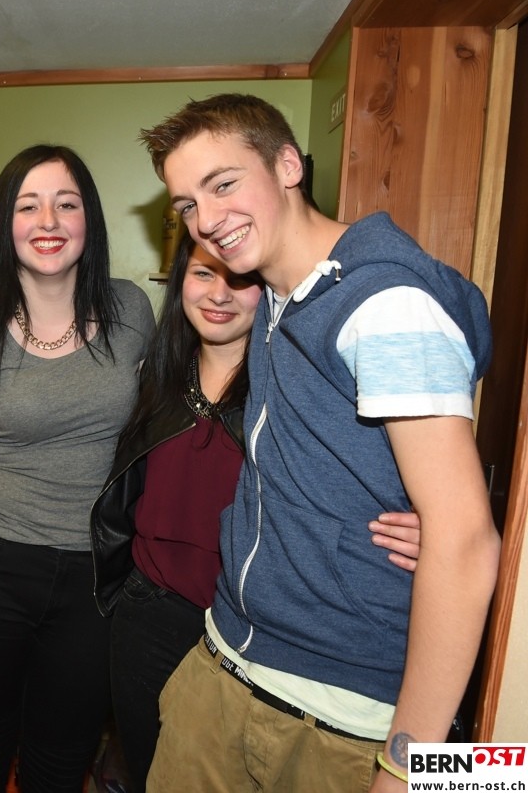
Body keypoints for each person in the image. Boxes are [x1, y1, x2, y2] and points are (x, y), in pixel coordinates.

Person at [140, 93, 500, 792]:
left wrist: (410, 765)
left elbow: (465, 543)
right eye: (187, 204)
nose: (206, 220)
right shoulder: (278, 293)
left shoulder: (387, 305)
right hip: (225, 666)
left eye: (223, 183)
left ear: (287, 166)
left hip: (339, 722)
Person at [90, 234, 425, 792]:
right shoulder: (153, 375)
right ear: (179, 283)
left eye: (240, 280)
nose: (219, 294)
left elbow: (382, 473)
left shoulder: (297, 392)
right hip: (147, 613)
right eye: (202, 274)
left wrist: (431, 524)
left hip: (243, 631)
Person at [0, 144, 155, 792]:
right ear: (6, 222)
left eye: (66, 204)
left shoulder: (132, 311)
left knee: (60, 763)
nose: (48, 221)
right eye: (28, 206)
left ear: (90, 220)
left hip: (95, 577)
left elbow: (159, 432)